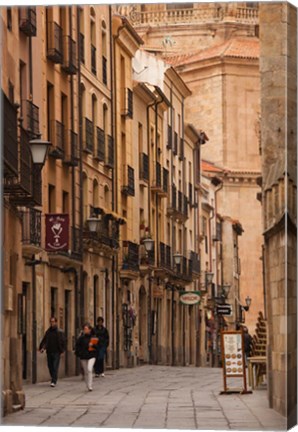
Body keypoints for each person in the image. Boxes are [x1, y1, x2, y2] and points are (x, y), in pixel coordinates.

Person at [39, 317, 66, 387]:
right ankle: (53, 377)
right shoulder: (48, 332)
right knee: (50, 366)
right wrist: (42, 348)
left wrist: (62, 351)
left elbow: (63, 342)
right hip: (49, 351)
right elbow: (45, 341)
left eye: (53, 321)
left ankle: (53, 380)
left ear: (56, 322)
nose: (52, 323)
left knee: (55, 366)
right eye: (51, 322)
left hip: (57, 352)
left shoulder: (60, 332)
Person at [75, 323, 98, 391]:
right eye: (84, 329)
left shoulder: (93, 338)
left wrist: (92, 345)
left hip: (92, 355)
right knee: (86, 371)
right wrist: (79, 353)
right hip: (84, 356)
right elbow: (77, 346)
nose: (85, 330)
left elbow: (97, 347)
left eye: (86, 329)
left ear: (90, 330)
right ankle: (87, 384)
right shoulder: (81, 338)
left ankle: (90, 385)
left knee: (89, 369)